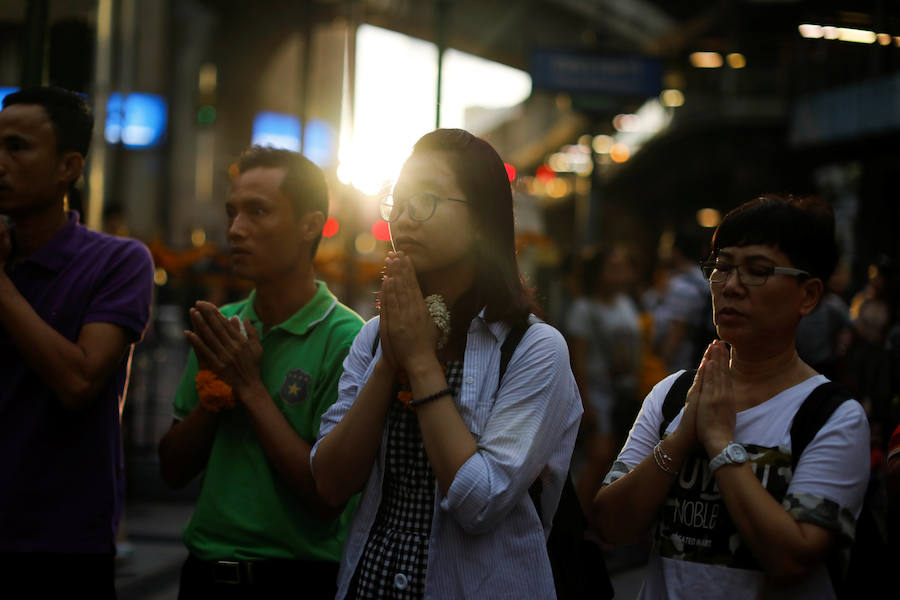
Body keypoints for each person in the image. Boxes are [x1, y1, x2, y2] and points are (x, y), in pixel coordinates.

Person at [311, 129, 582, 599]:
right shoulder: (375, 336)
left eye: (427, 199)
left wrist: (419, 363)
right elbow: (330, 483)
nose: (403, 217)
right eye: (399, 199)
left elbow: (481, 502)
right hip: (369, 584)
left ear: (481, 221)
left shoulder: (534, 349)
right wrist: (387, 362)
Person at [592, 194, 870, 599]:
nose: (732, 286)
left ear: (807, 296)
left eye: (757, 271)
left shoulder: (832, 416)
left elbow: (793, 559)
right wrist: (682, 435)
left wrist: (721, 443)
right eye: (721, 268)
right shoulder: (673, 394)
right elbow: (609, 525)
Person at [157, 147, 363, 598]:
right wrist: (215, 395)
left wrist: (249, 386)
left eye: (258, 212)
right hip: (204, 571)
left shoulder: (349, 339)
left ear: (310, 224)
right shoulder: (222, 323)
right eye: (232, 213)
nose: (235, 230)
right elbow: (171, 469)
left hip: (296, 578)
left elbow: (325, 496)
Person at [0, 87, 154, 597]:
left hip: (61, 543)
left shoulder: (118, 261)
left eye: (17, 147)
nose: (0, 162)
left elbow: (79, 379)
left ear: (69, 166)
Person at [566, 245, 641, 511]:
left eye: (624, 267)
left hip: (623, 393)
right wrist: (584, 401)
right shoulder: (583, 309)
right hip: (597, 393)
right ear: (597, 273)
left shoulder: (626, 304)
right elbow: (578, 360)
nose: (622, 273)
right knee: (599, 456)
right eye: (614, 267)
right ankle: (578, 521)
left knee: (616, 460)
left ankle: (596, 522)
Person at [651, 224, 713, 373]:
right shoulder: (698, 280)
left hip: (676, 366)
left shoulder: (683, 287)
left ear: (677, 251)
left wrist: (660, 368)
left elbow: (676, 331)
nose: (662, 249)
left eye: (666, 245)